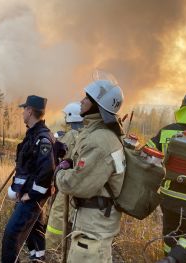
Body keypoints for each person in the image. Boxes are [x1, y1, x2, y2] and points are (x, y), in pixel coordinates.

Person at [55, 79, 126, 263]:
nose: (81, 100)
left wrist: (59, 174)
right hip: (95, 222)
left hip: (93, 228)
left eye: (87, 98)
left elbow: (76, 184)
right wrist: (71, 161)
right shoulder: (100, 135)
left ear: (98, 106)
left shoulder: (100, 141)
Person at [2, 95, 56, 263]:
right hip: (27, 194)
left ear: (30, 111)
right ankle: (38, 259)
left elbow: (47, 171)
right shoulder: (33, 135)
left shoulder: (43, 138)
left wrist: (30, 195)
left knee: (11, 235)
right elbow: (26, 169)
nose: (22, 112)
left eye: (24, 109)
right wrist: (18, 190)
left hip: (33, 197)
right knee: (35, 230)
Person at [146, 88, 186, 263]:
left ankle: (169, 258)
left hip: (170, 200)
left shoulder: (169, 132)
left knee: (171, 239)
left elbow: (146, 156)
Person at [46, 102, 83, 250]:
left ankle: (51, 247)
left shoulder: (71, 135)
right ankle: (68, 247)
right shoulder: (85, 134)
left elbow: (58, 154)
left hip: (67, 183)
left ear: (70, 116)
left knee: (58, 214)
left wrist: (57, 139)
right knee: (73, 216)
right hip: (79, 183)